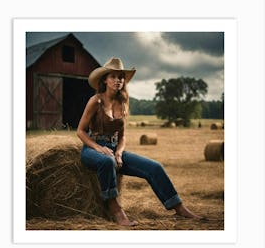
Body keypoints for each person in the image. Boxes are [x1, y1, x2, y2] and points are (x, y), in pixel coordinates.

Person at [77, 57, 205, 226]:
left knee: (154, 167)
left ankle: (178, 207)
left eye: (121, 77)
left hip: (115, 149)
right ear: (105, 80)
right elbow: (80, 131)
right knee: (107, 161)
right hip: (92, 150)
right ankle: (115, 209)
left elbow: (122, 136)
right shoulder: (96, 101)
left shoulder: (122, 102)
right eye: (114, 77)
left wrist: (119, 153)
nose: (118, 80)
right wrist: (98, 148)